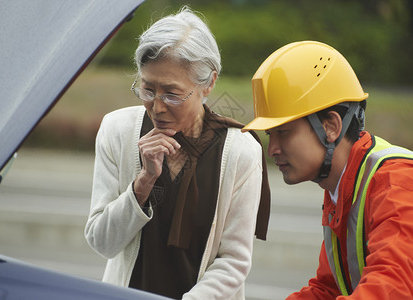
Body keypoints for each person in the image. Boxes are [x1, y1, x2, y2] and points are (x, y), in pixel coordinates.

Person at [84, 7, 271, 300]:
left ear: (209, 83)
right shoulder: (117, 131)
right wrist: (143, 182)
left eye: (172, 94)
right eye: (147, 90)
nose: (158, 107)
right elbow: (103, 242)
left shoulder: (241, 151)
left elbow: (234, 261)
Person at [243, 40, 413, 299]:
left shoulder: (395, 183)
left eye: (283, 133)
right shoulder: (342, 186)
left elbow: (390, 289)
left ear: (331, 126)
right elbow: (328, 289)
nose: (272, 149)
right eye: (269, 135)